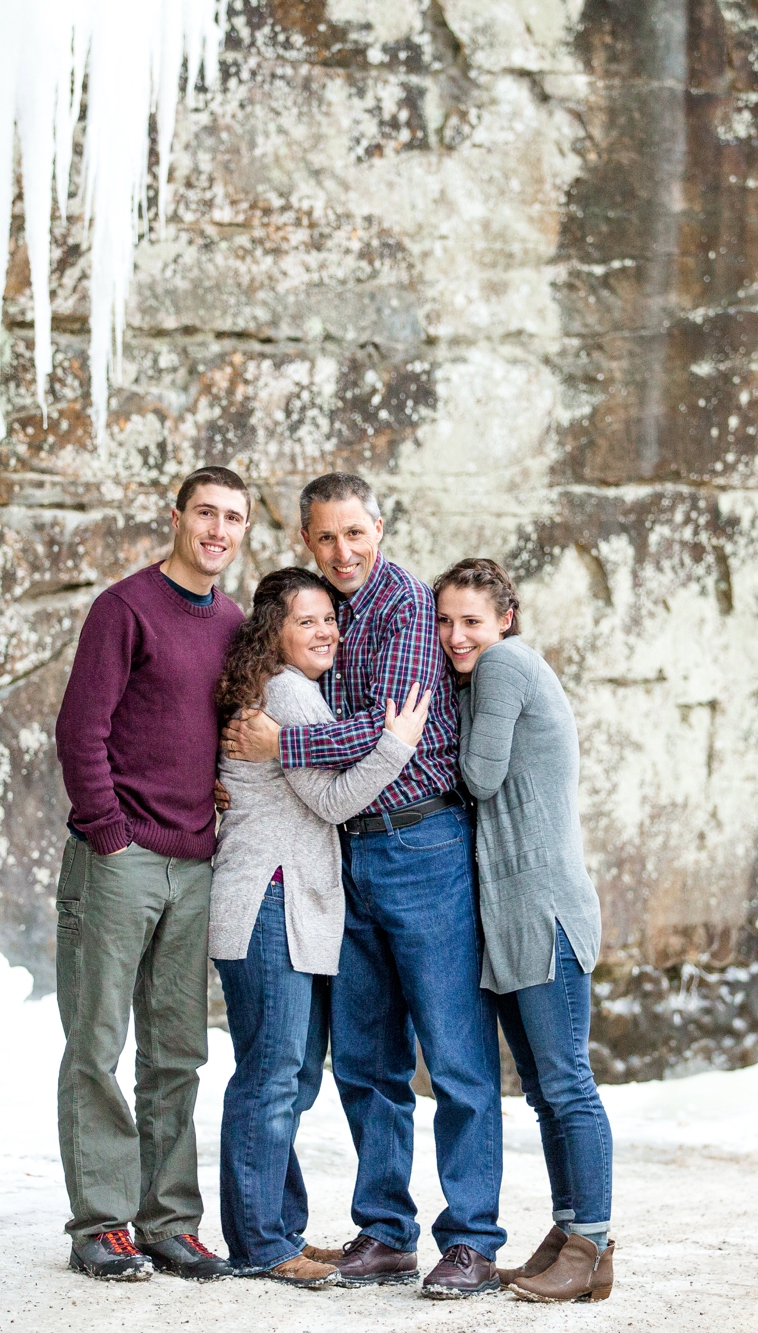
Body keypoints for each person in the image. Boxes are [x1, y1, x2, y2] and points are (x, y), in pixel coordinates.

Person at [222, 473, 506, 1298]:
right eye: (325, 538)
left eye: (355, 533)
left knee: (454, 1055)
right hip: (348, 856)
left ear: (378, 526)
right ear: (307, 540)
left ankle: (472, 1239)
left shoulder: (411, 605)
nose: (343, 552)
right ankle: (386, 1230)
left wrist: (281, 743)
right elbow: (324, 723)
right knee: (366, 1060)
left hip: (423, 843)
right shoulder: (327, 614)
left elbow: (385, 726)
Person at [52, 465, 251, 1283]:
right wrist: (108, 831)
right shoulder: (123, 608)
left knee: (177, 1051)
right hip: (122, 855)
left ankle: (168, 1221)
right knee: (97, 1041)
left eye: (233, 517)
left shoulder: (234, 619)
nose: (217, 529)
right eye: (204, 512)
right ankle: (101, 1223)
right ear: (175, 517)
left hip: (196, 859)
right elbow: (80, 727)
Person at [209, 566, 431, 1288]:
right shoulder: (292, 692)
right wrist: (397, 744)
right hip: (271, 901)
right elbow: (334, 801)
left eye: (330, 619)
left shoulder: (287, 690)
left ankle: (277, 1229)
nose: (326, 630)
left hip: (279, 902)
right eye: (308, 620)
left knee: (287, 1076)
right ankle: (260, 1244)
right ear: (274, 629)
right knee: (272, 1079)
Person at [434, 557, 615, 1304]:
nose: (455, 635)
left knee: (569, 1084)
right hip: (510, 918)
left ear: (505, 617)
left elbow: (477, 776)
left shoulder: (505, 664)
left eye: (471, 619)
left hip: (542, 912)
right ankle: (574, 1234)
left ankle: (595, 1240)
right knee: (544, 1089)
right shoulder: (482, 677)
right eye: (443, 621)